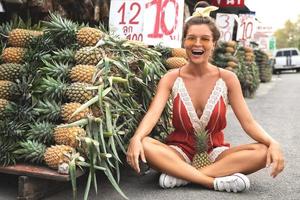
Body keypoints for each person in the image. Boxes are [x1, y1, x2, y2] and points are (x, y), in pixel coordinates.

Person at [126, 4, 284, 193]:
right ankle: (210, 180)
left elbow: (248, 123)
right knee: (145, 144)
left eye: (205, 39)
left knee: (263, 151)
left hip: (216, 153)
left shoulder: (228, 79)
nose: (197, 43)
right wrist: (136, 137)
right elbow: (153, 114)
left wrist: (273, 142)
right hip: (178, 152)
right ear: (184, 42)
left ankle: (182, 175)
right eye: (191, 38)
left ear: (214, 44)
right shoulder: (171, 78)